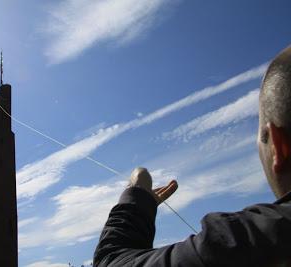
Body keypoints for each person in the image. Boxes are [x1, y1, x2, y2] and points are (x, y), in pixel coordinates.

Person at [93, 46, 291, 267]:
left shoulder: (256, 239)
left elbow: (111, 263)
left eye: (261, 136)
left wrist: (136, 196)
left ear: (279, 146)